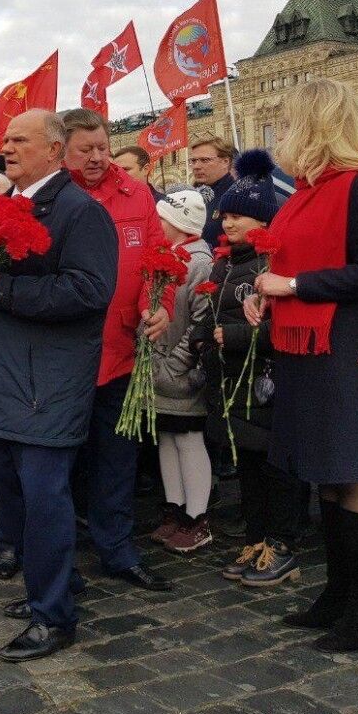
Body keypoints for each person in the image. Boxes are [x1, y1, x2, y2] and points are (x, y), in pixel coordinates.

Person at [249, 78, 358, 651]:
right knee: (328, 474)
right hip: (313, 349)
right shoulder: (310, 191)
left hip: (350, 349)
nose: (279, 136)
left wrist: (293, 284)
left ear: (314, 123)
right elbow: (292, 262)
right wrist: (268, 294)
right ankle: (338, 594)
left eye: (288, 122)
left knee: (353, 471)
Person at [0, 109, 117, 662]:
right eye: (5, 138)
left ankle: (54, 617)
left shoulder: (78, 211)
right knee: (15, 492)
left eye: (19, 139)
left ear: (54, 148)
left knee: (44, 497)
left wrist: (2, 293)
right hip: (5, 376)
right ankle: (52, 586)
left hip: (45, 381)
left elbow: (89, 292)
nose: (7, 146)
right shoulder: (12, 204)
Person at [60, 109, 174, 592]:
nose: (96, 158)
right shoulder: (55, 198)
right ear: (61, 150)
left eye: (102, 147)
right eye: (85, 149)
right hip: (63, 355)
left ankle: (119, 551)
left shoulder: (136, 191)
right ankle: (57, 559)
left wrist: (163, 304)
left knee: (117, 458)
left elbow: (157, 257)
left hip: (123, 350)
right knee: (59, 465)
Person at [190, 150, 307, 586]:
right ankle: (257, 539)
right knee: (251, 472)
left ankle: (283, 543)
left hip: (264, 385)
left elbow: (284, 323)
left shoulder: (273, 262)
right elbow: (215, 308)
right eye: (225, 215)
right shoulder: (227, 262)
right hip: (231, 384)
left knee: (277, 469)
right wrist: (201, 334)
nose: (229, 223)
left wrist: (236, 337)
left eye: (239, 216)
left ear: (263, 220)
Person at [148, 189, 213, 553]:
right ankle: (174, 508)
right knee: (168, 439)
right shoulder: (167, 257)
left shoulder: (198, 264)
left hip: (179, 371)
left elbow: (200, 322)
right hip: (160, 369)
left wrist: (175, 363)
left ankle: (197, 516)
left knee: (189, 440)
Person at [189, 136, 235, 247]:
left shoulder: (237, 196)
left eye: (205, 160)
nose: (196, 166)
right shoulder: (192, 197)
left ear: (225, 162)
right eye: (193, 161)